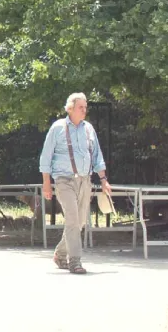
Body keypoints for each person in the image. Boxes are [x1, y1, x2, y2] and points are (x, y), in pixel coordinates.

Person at [39, 92, 112, 274]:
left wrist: (103, 180)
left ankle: (60, 254)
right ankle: (75, 261)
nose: (84, 110)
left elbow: (97, 156)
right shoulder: (58, 128)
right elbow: (46, 157)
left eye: (86, 107)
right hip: (64, 180)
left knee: (78, 222)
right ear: (70, 109)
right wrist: (46, 183)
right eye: (81, 107)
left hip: (85, 180)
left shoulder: (88, 129)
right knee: (72, 218)